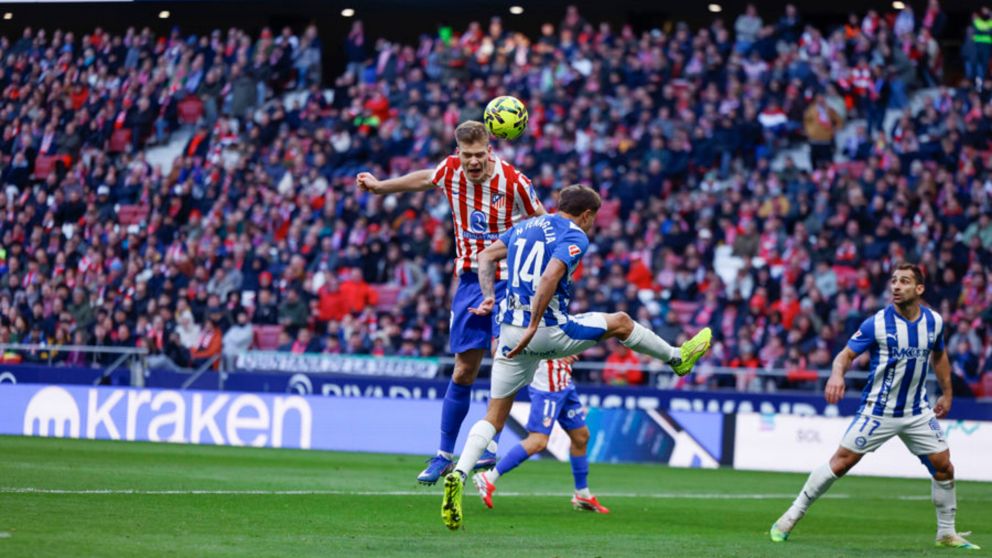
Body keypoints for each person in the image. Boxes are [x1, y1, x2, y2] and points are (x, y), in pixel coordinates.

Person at [440, 185, 711, 530]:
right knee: (621, 322)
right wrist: (535, 324)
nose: (592, 224)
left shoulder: (524, 226)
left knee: (494, 416)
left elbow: (485, 257)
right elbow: (550, 275)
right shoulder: (575, 235)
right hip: (546, 330)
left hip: (508, 334)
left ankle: (460, 474)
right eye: (593, 218)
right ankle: (676, 358)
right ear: (586, 215)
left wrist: (489, 296)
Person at [357, 120, 566, 485]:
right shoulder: (450, 170)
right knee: (463, 371)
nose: (473, 162)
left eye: (479, 154)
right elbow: (424, 178)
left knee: (503, 356)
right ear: (458, 152)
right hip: (470, 280)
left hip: (511, 280)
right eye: (467, 155)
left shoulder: (515, 181)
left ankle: (488, 444)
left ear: (490, 150)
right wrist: (379, 186)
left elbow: (544, 226)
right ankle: (443, 455)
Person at [770, 264, 979, 550]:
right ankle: (789, 518)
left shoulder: (934, 322)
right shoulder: (877, 323)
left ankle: (946, 533)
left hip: (917, 410)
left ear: (919, 289)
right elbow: (845, 355)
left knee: (944, 466)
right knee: (841, 462)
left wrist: (947, 393)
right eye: (894, 281)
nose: (896, 286)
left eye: (904, 281)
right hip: (878, 410)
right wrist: (836, 374)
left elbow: (939, 356)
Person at [472, 358, 609, 514]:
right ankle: (488, 477)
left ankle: (582, 493)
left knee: (581, 437)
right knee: (538, 441)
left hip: (564, 381)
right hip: (547, 386)